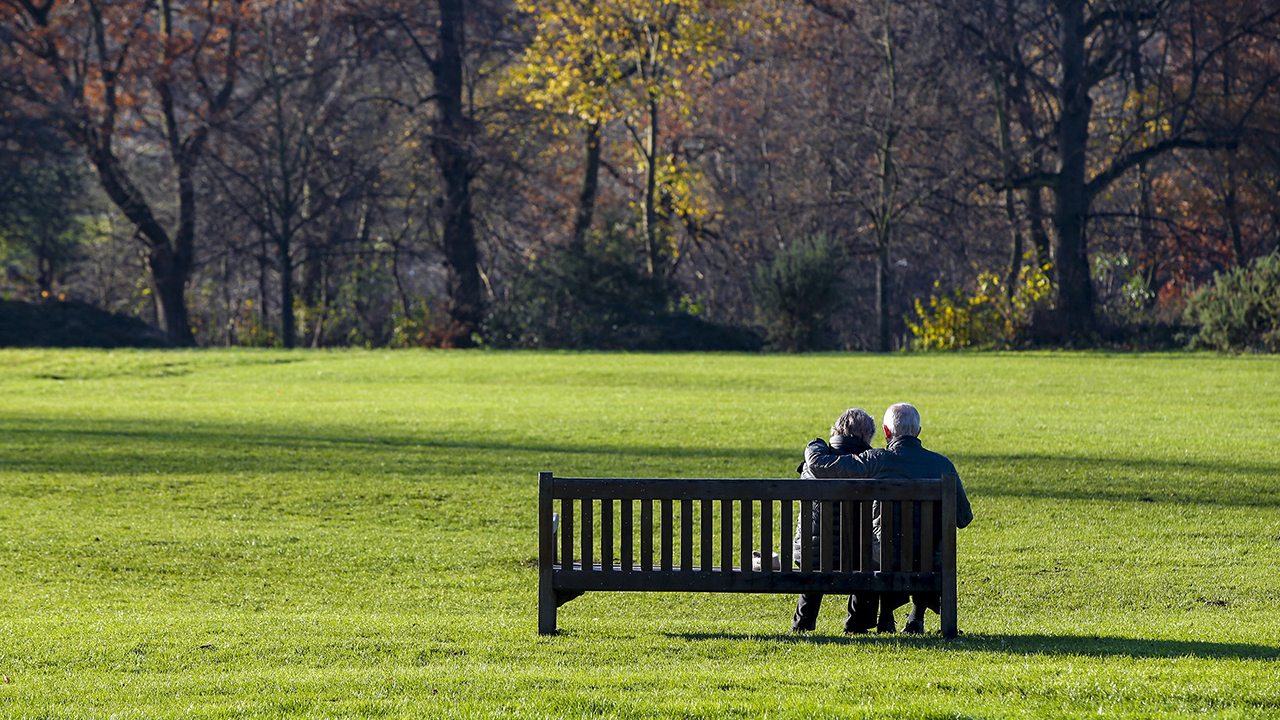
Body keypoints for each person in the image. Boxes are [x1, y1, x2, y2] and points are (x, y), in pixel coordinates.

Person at [803, 402, 974, 634]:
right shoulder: (944, 465)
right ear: (918, 432)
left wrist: (814, 448)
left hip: (882, 560)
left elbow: (824, 467)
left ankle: (887, 618)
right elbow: (963, 518)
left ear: (886, 432)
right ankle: (916, 618)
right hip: (930, 563)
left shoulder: (876, 460)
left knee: (883, 542)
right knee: (926, 544)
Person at [790, 408, 895, 634]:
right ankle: (857, 624)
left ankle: (803, 624)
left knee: (816, 552)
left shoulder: (811, 464)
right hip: (860, 559)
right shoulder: (872, 466)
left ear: (836, 430)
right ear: (868, 436)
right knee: (866, 557)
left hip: (812, 556)